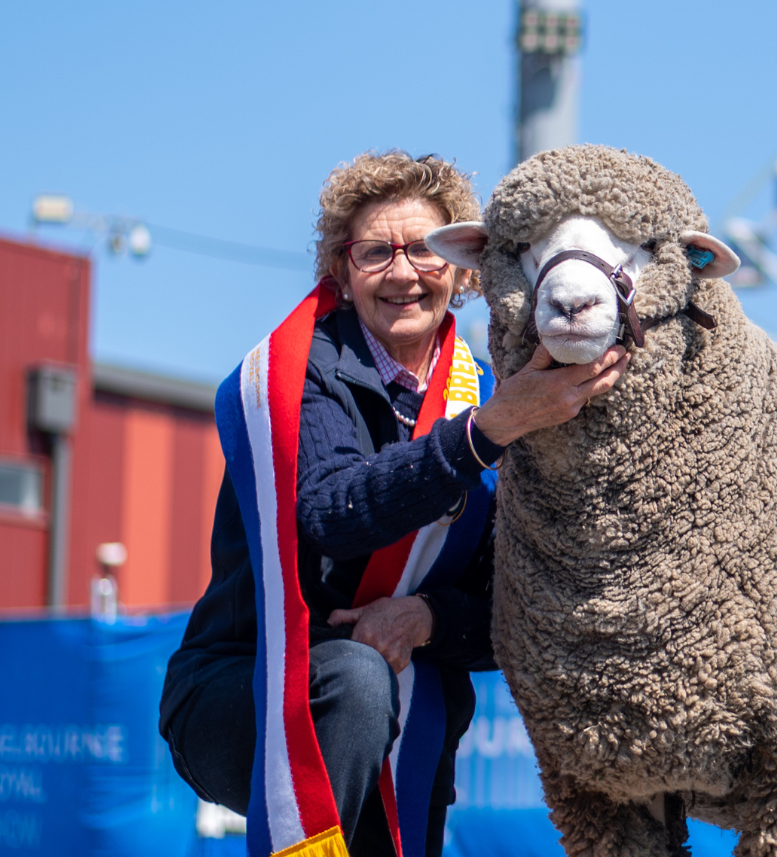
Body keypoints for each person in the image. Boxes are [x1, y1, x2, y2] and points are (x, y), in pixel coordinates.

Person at [160, 152, 627, 857]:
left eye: (424, 251)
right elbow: (333, 513)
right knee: (356, 677)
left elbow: (512, 610)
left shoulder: (493, 392)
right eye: (375, 252)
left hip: (414, 707)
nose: (403, 273)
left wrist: (428, 617)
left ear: (463, 270)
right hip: (247, 689)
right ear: (342, 273)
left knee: (382, 690)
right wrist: (488, 432)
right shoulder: (298, 378)